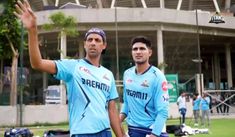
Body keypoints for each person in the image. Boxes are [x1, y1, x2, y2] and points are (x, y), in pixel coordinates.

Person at [14, 1, 124, 137]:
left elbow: (112, 111)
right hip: (82, 133)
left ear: (104, 45)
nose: (93, 43)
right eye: (89, 40)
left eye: (97, 40)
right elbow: (38, 63)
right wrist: (32, 31)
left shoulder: (108, 75)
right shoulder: (73, 66)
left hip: (105, 132)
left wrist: (122, 136)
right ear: (84, 45)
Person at [119, 36, 169, 137]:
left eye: (142, 49)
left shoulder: (158, 76)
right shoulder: (127, 74)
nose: (138, 52)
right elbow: (127, 103)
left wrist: (154, 134)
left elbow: (163, 111)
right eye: (135, 49)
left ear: (149, 52)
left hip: (152, 129)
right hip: (133, 129)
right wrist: (118, 120)